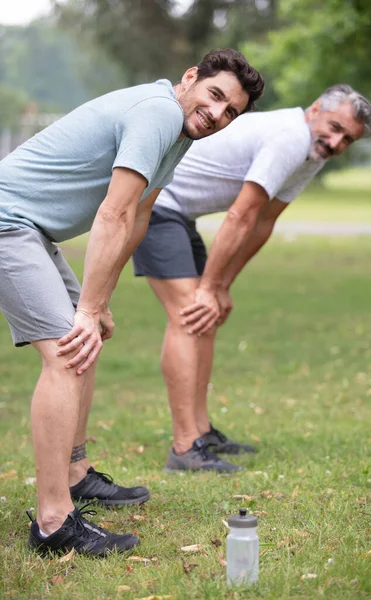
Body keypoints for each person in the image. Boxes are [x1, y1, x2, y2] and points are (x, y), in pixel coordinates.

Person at [0, 48, 264, 556]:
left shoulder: (179, 134)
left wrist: (99, 304)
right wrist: (86, 306)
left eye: (231, 112)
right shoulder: (159, 112)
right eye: (214, 96)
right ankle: (54, 522)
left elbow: (140, 216)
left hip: (32, 230)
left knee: (86, 338)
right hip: (9, 222)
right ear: (190, 78)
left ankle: (75, 474)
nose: (217, 115)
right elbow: (113, 213)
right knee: (66, 352)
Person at [133, 83, 371, 473]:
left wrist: (223, 286)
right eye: (334, 127)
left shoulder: (312, 152)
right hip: (155, 203)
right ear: (315, 109)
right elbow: (240, 215)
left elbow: (264, 221)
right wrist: (209, 288)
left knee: (204, 318)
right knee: (188, 313)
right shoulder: (292, 136)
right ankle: (183, 449)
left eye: (347, 138)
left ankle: (200, 430)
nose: (335, 141)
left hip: (179, 213)